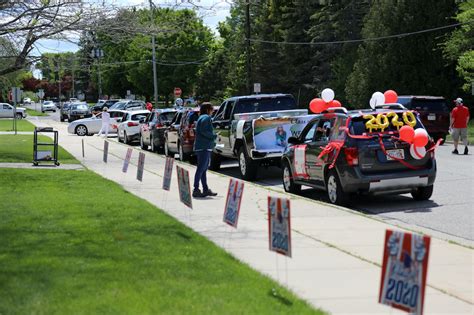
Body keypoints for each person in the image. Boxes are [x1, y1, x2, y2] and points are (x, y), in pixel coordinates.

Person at [193, 102, 217, 198]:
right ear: (208, 110)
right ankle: (196, 189)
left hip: (202, 147)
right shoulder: (206, 118)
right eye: (212, 109)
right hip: (204, 147)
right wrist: (214, 136)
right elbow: (204, 131)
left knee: (203, 169)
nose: (213, 111)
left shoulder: (201, 117)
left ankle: (205, 189)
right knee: (201, 169)